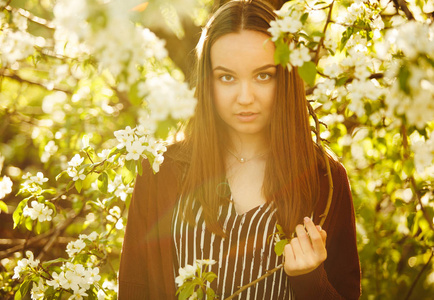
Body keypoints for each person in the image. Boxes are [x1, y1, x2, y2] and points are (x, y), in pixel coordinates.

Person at [118, 0, 361, 299]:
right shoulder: (160, 169)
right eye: (227, 77)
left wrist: (311, 280)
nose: (245, 97)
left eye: (263, 75)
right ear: (209, 82)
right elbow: (134, 289)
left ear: (284, 77)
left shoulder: (325, 179)